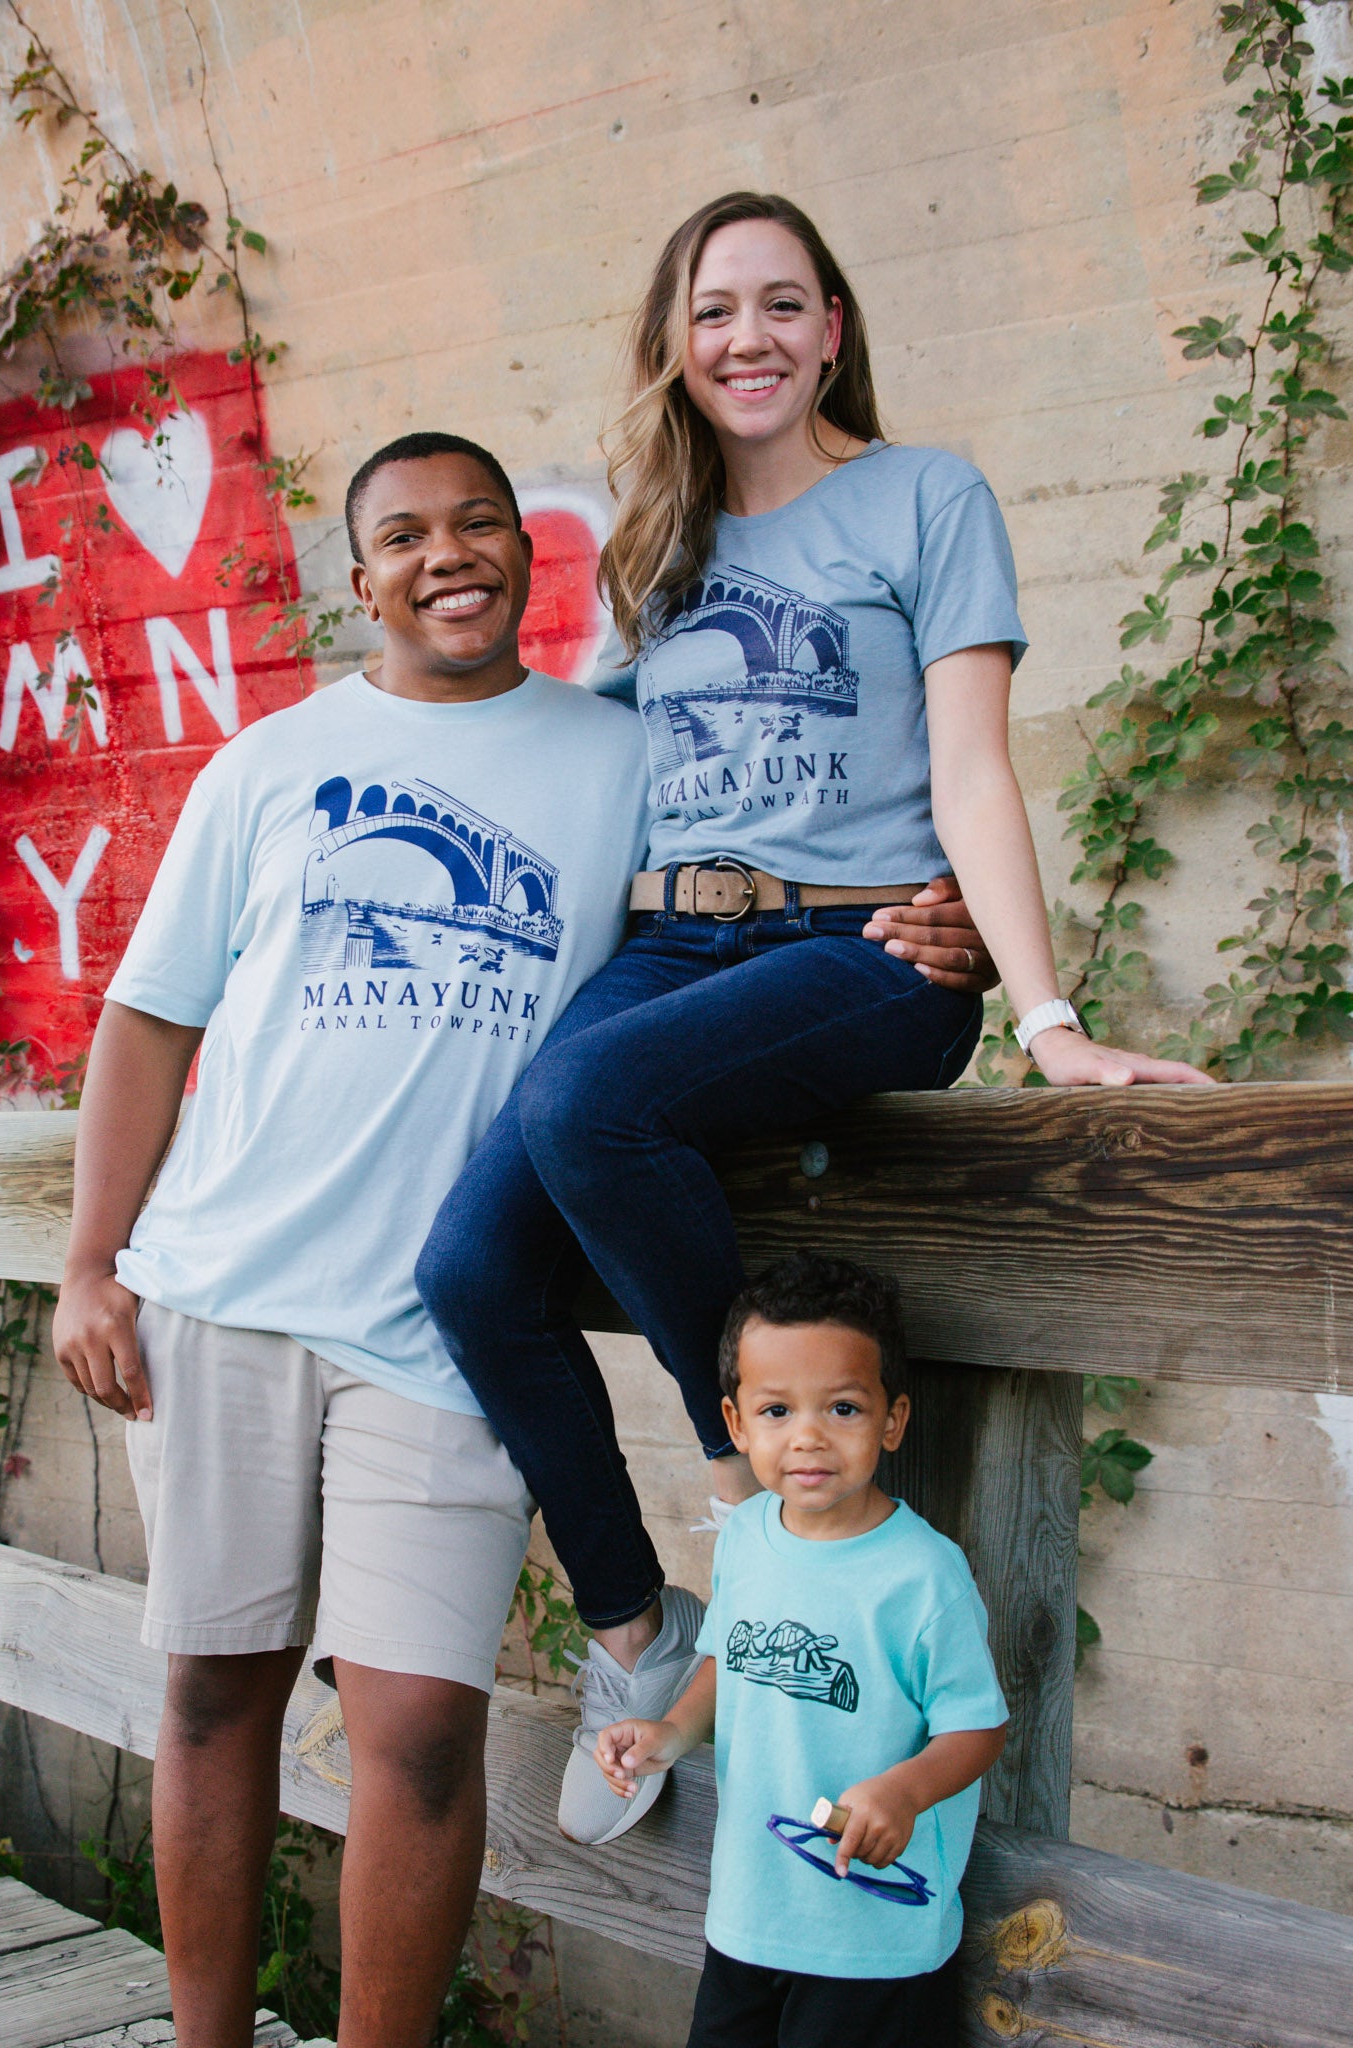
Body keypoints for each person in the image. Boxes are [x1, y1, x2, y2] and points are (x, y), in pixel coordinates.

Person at [54, 429, 995, 2045]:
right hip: (223, 1294)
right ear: (362, 580)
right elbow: (146, 1019)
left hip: (432, 1336)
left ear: (522, 553)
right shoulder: (267, 765)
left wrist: (939, 907)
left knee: (418, 1728)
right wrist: (92, 1258)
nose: (448, 554)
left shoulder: (619, 749)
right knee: (217, 1693)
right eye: (405, 535)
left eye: (478, 523)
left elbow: (784, 838)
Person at [415, 189, 1214, 1849]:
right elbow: (585, 775)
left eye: (782, 305)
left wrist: (1043, 1010)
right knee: (468, 1266)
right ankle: (644, 1636)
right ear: (673, 343)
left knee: (588, 1111)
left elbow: (974, 764)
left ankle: (754, 1515)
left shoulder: (923, 499)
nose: (748, 338)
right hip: (668, 953)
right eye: (713, 310)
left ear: (831, 326)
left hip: (865, 948)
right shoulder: (660, 552)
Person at [593, 1254, 1007, 2048]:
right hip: (749, 1916)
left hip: (873, 1937)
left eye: (844, 1408)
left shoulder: (922, 1575)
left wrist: (905, 1791)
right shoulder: (746, 1536)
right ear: (737, 1422)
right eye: (778, 1411)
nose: (808, 1436)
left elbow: (978, 1728)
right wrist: (670, 1734)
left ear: (893, 1420)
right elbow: (727, 1661)